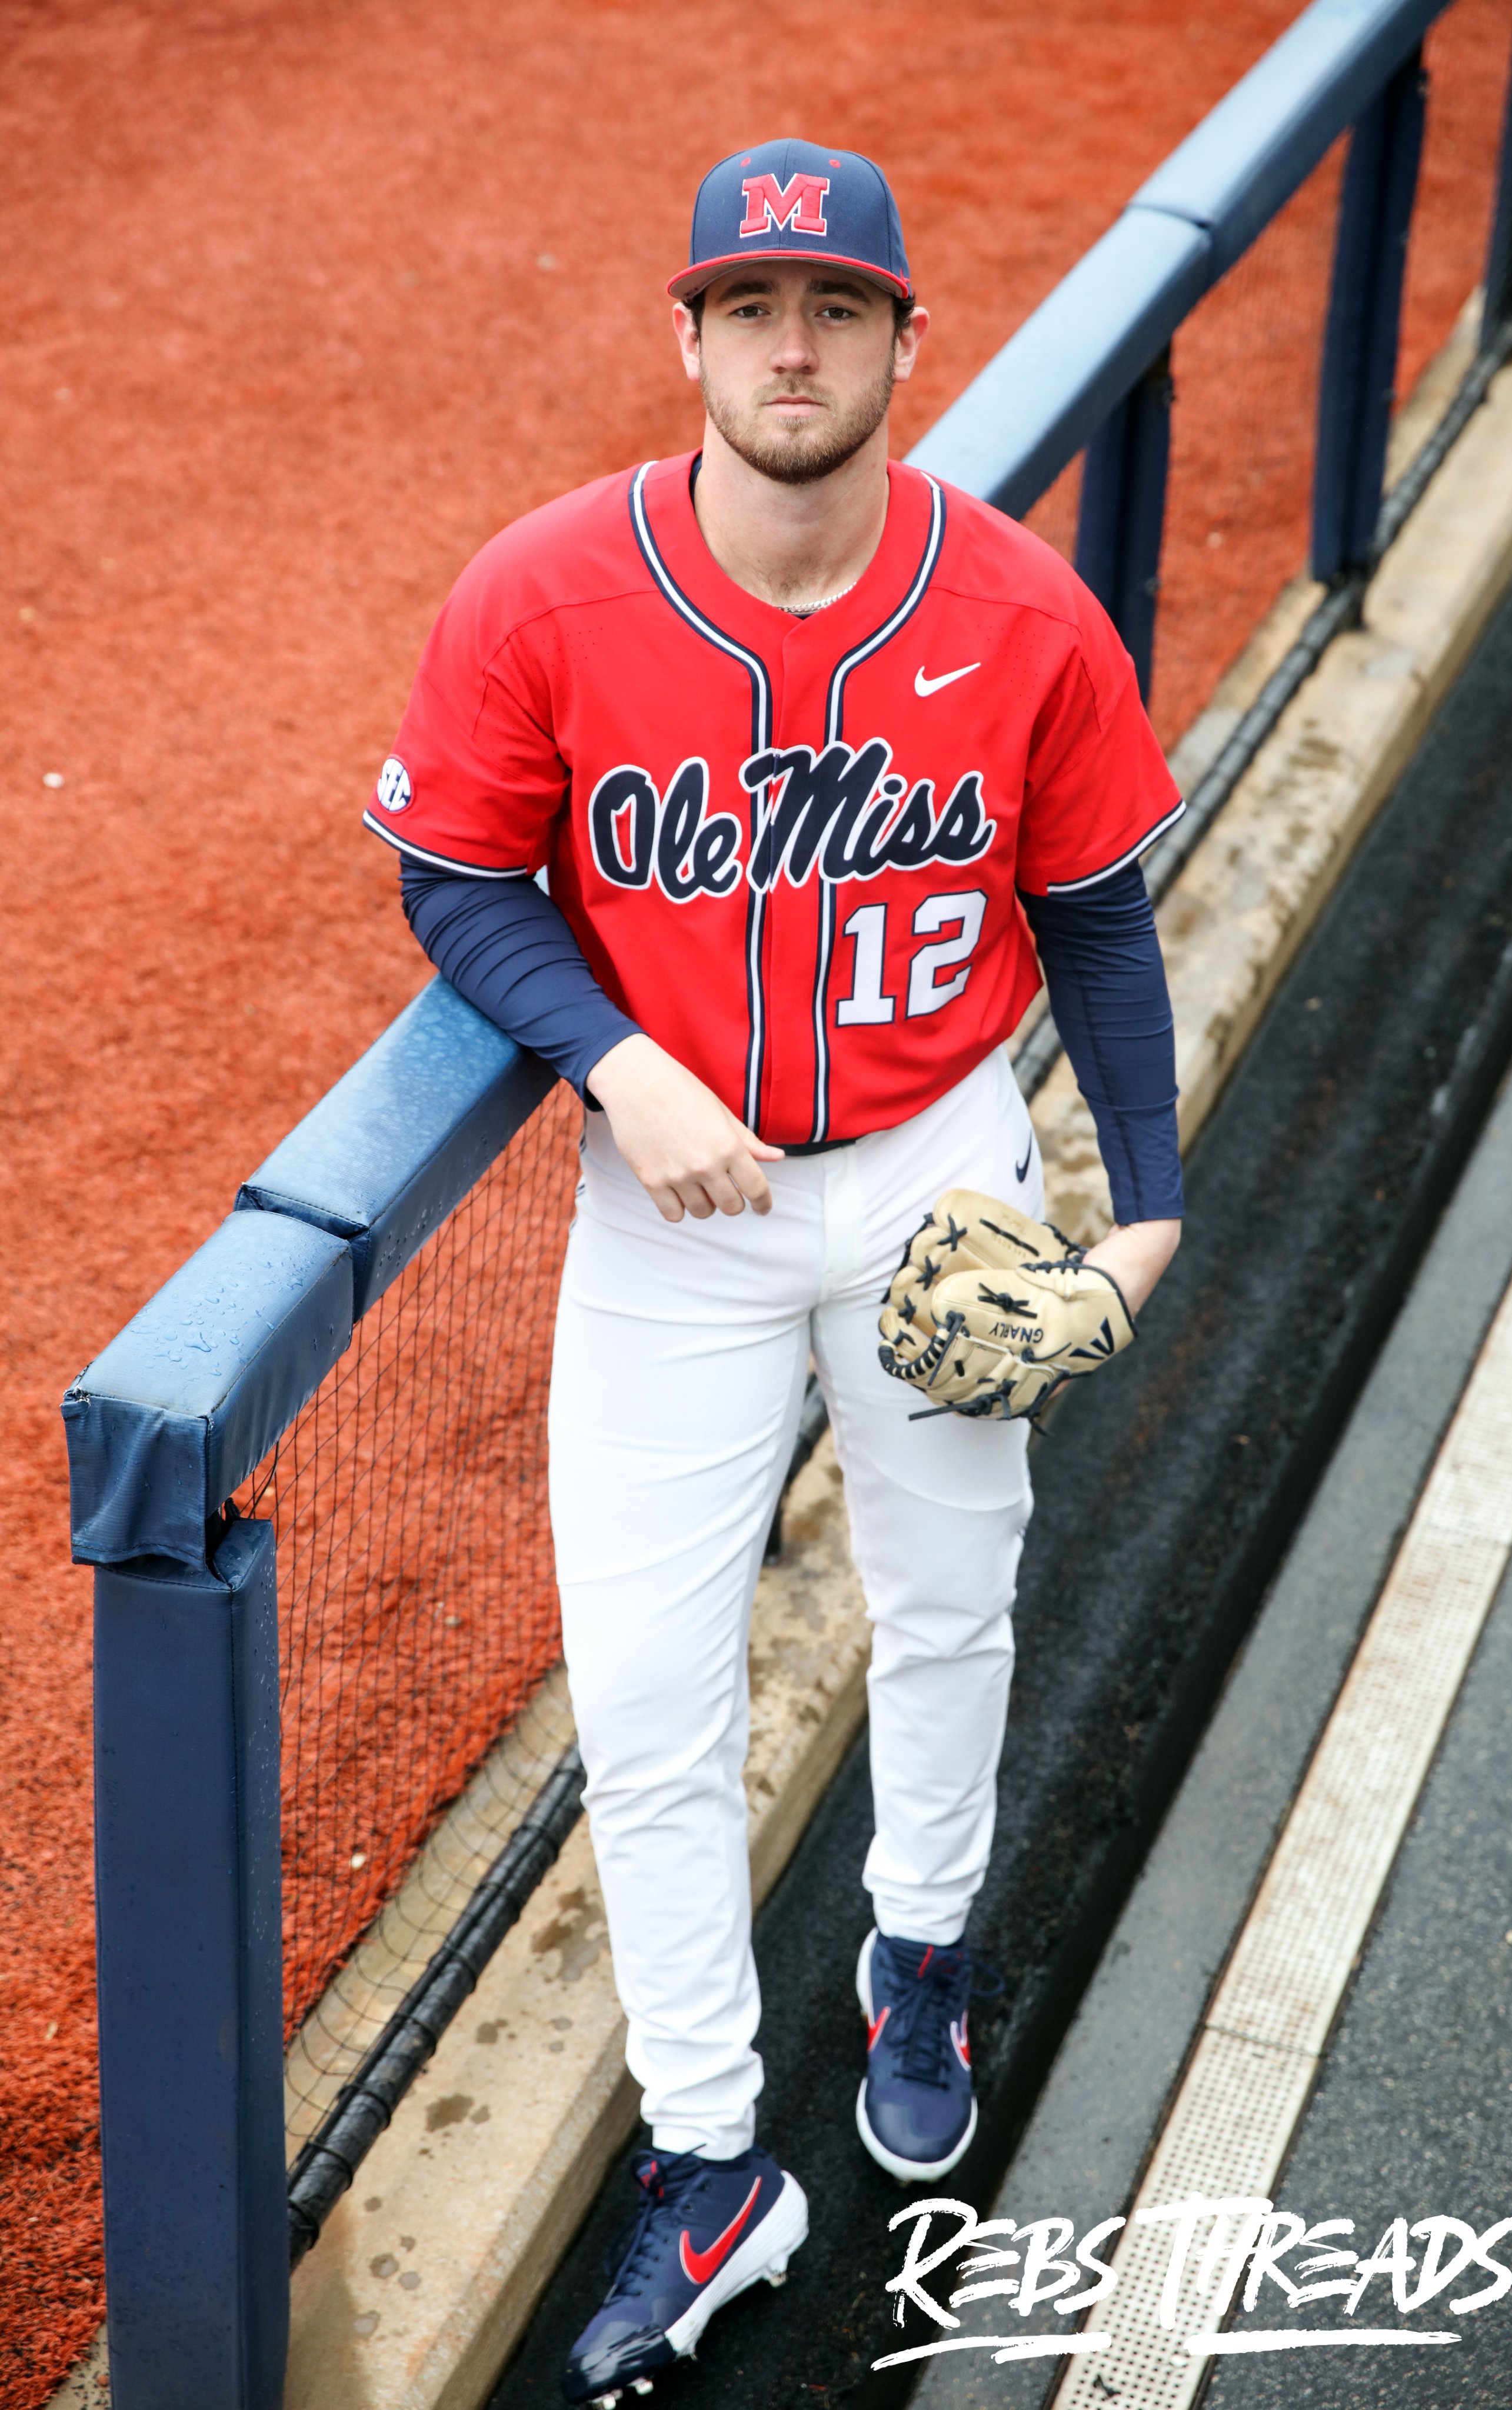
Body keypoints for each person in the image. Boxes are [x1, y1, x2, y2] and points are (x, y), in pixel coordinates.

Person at [364, 137, 1183, 2405]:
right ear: (690, 339)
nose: (791, 346)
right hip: (674, 1221)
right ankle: (712, 2160)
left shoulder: (1021, 610)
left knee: (949, 1598)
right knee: (642, 1697)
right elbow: (457, 879)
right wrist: (613, 1061)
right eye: (751, 308)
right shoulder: (543, 592)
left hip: (938, 1172)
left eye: (834, 308)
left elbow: (1102, 922)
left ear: (908, 341)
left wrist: (1147, 1205)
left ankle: (915, 1953)